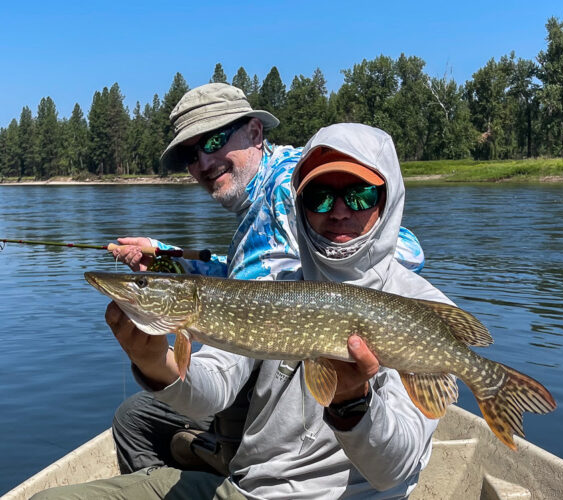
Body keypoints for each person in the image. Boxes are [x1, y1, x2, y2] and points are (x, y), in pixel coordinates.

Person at [33, 121, 457, 499]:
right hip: (247, 488)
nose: (340, 210)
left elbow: (393, 472)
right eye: (320, 197)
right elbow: (210, 392)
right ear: (301, 205)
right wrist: (155, 362)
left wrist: (351, 404)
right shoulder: (268, 288)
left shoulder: (428, 309)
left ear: (388, 199)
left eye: (360, 194)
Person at [102, 84, 427, 476]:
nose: (204, 162)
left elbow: (401, 250)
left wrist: (317, 283)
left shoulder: (290, 188)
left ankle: (206, 455)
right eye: (190, 154)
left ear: (255, 133)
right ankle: (203, 455)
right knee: (136, 416)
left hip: (314, 378)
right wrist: (171, 261)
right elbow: (254, 280)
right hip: (264, 355)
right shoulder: (257, 204)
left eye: (215, 141)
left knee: (139, 417)